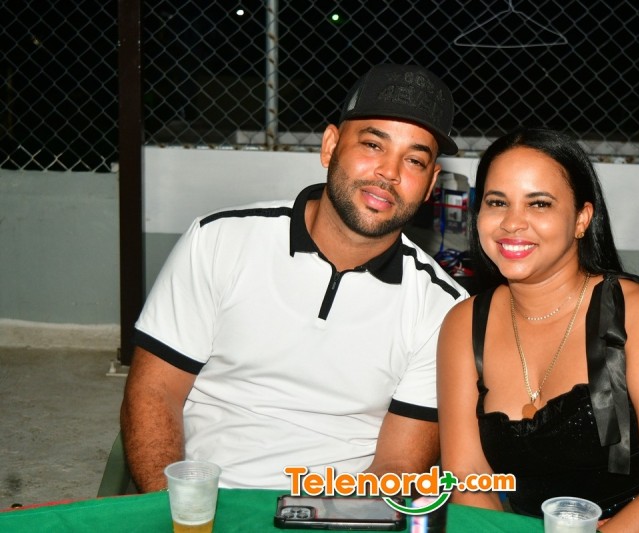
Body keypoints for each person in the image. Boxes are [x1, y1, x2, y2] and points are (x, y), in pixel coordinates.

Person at [121, 63, 469, 492]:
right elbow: (154, 392)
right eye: (373, 145)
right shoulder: (218, 240)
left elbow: (399, 464)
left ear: (431, 183)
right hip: (204, 500)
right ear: (330, 146)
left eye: (414, 159)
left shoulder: (443, 308)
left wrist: (335, 517)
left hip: (337, 512)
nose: (389, 172)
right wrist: (176, 507)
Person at [437, 128, 639, 531]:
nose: (512, 223)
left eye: (539, 204)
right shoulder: (463, 325)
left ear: (582, 219)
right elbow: (469, 479)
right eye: (497, 202)